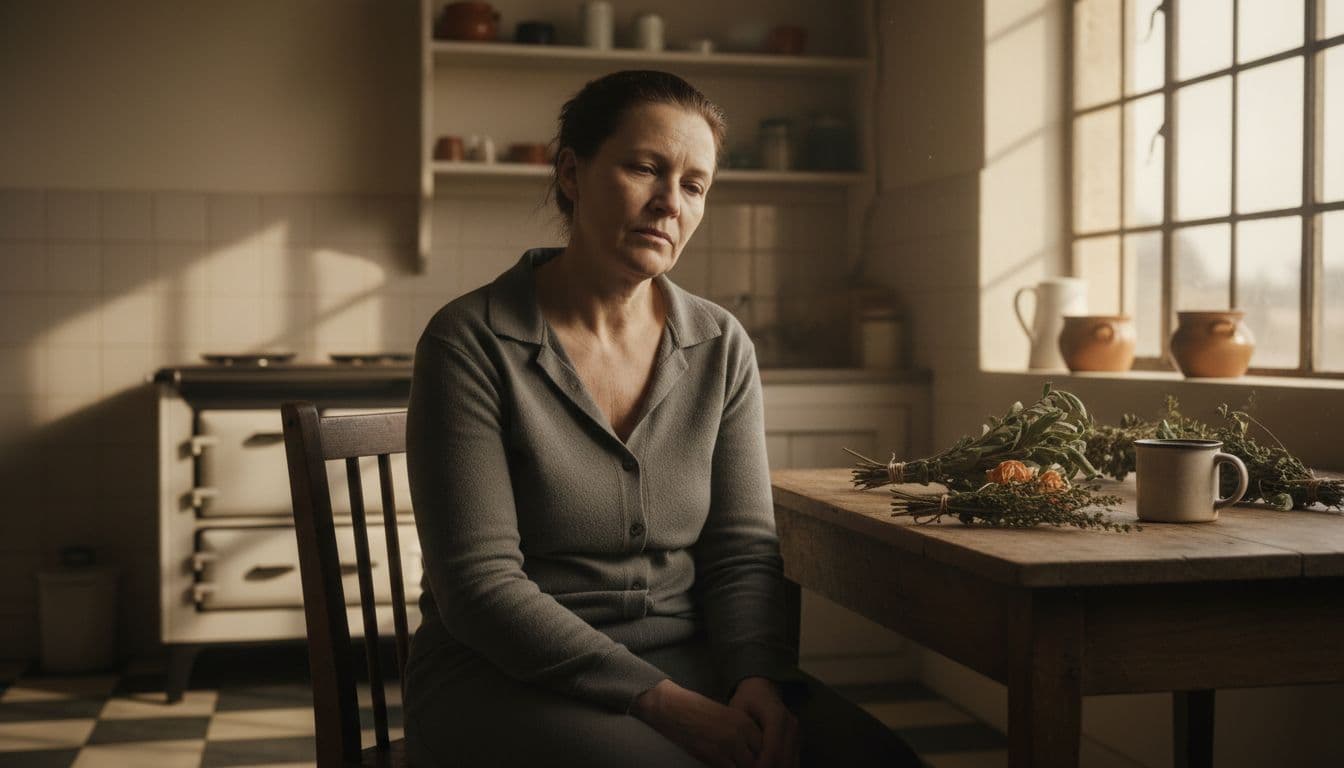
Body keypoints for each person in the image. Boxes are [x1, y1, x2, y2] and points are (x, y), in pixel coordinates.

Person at [404, 69, 920, 768]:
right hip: (499, 675)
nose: (668, 203)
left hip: (694, 664)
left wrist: (755, 679)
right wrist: (665, 705)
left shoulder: (719, 344)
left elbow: (740, 549)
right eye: (645, 168)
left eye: (694, 184)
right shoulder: (470, 339)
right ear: (572, 173)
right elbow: (479, 589)